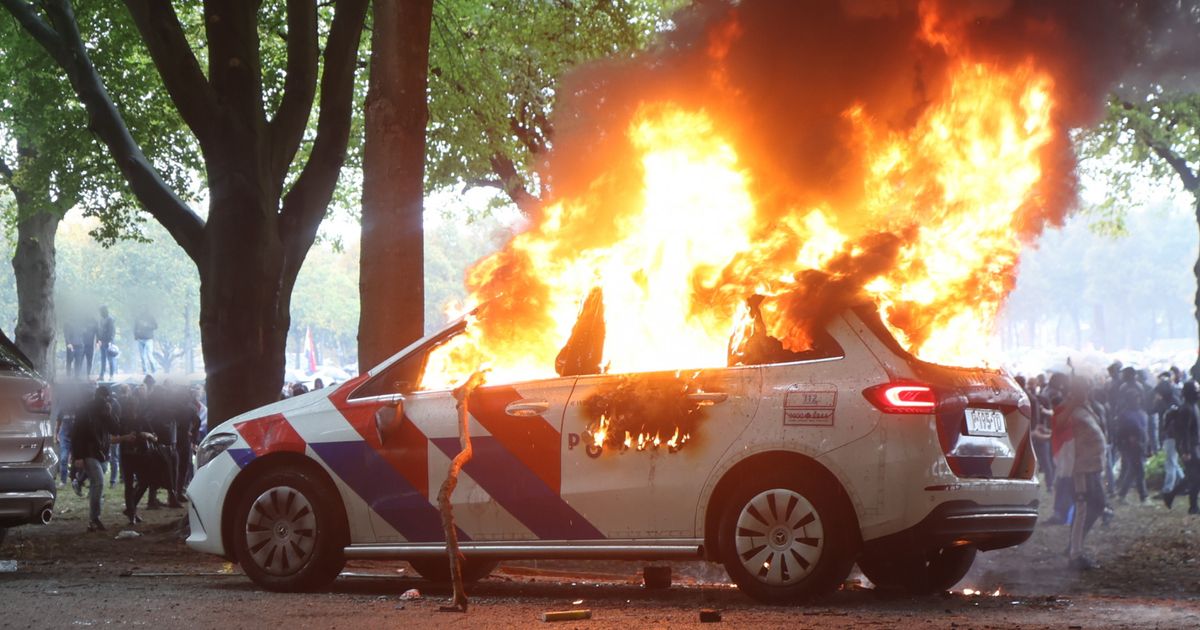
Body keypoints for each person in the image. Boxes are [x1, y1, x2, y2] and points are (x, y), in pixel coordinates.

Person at [1065, 377, 1109, 570]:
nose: (1087, 393)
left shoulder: (1086, 409)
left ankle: (1075, 544)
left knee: (1098, 504)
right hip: (1081, 468)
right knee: (1082, 508)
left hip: (1093, 467)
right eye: (1084, 390)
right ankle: (1075, 554)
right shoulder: (1073, 413)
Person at [70, 386, 117, 531]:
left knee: (97, 485)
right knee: (99, 483)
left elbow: (115, 429)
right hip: (89, 452)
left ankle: (78, 481)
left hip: (101, 452)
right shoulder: (85, 410)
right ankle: (94, 519)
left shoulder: (105, 411)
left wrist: (109, 414)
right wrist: (78, 456)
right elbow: (76, 434)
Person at [1164, 381, 1200, 514]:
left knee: (1193, 476)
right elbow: (1183, 432)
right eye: (1196, 391)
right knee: (1194, 477)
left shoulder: (1191, 406)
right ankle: (1192, 506)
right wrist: (1186, 450)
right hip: (1190, 448)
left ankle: (1171, 496)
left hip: (1194, 446)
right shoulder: (1186, 409)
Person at [1114, 367, 1149, 503]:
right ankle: (1143, 496)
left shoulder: (1139, 412)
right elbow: (1123, 431)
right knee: (1137, 469)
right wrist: (1127, 441)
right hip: (1132, 444)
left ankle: (1122, 495)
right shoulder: (1126, 414)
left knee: (1133, 469)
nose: (1138, 400)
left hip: (1139, 443)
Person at [133, 309, 158, 374]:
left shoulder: (151, 317)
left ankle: (154, 369)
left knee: (149, 355)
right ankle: (145, 371)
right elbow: (135, 327)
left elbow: (156, 326)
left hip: (148, 339)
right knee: (142, 357)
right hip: (140, 339)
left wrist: (147, 325)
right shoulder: (138, 318)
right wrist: (136, 336)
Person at [76, 312, 98, 379]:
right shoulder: (83, 323)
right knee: (80, 360)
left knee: (89, 361)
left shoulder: (94, 323)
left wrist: (97, 342)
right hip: (83, 345)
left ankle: (87, 375)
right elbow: (79, 333)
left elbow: (97, 333)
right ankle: (78, 375)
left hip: (90, 345)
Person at [97, 306, 117, 381]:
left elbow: (112, 331)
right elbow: (99, 330)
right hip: (102, 342)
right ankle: (101, 375)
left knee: (110, 359)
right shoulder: (101, 319)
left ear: (104, 311)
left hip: (108, 343)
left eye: (101, 311)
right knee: (103, 359)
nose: (100, 313)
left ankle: (111, 375)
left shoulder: (110, 319)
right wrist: (98, 340)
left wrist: (110, 342)